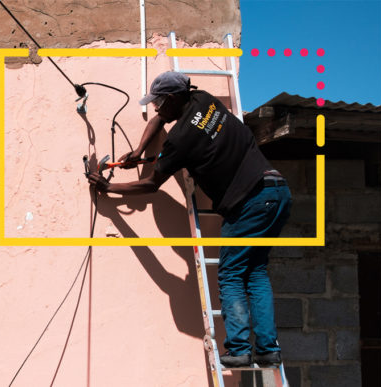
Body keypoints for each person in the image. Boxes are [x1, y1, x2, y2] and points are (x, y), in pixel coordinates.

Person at [85, 71, 291, 367]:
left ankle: (239, 350)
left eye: (158, 102)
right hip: (276, 192)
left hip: (248, 203)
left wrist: (109, 188)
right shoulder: (204, 99)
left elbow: (151, 185)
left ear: (171, 99)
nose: (155, 109)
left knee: (231, 275)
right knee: (255, 272)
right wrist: (141, 150)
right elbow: (160, 121)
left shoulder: (180, 141)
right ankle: (269, 350)